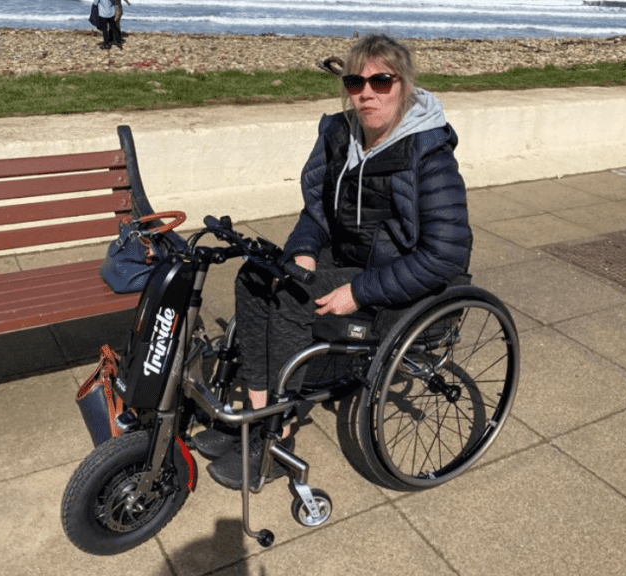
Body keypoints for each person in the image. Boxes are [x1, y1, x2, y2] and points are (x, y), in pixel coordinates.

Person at [200, 34, 472, 489]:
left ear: (403, 86)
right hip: (346, 258)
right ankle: (255, 409)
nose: (366, 93)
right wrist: (304, 248)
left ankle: (277, 430)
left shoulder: (429, 155)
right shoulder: (341, 136)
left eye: (380, 81)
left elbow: (444, 254)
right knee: (253, 276)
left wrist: (358, 292)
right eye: (355, 81)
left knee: (289, 297)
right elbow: (316, 213)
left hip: (399, 279)